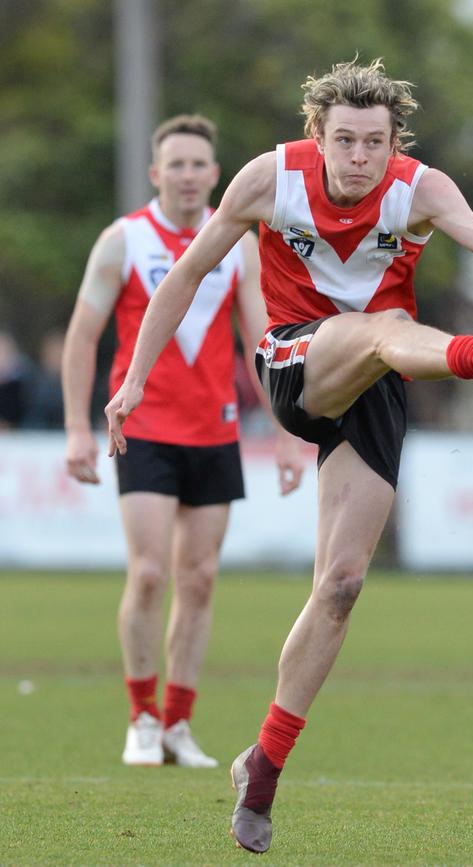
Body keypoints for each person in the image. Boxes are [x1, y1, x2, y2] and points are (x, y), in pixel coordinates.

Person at [104, 61, 473, 849]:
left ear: (394, 146)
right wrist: (135, 378)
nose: (359, 158)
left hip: (380, 380)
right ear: (318, 136)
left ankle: (264, 768)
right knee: (379, 328)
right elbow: (185, 276)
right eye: (344, 140)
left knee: (343, 585)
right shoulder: (269, 178)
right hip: (295, 360)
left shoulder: (419, 188)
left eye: (374, 143)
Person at [62, 113, 304, 770]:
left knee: (198, 579)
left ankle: (177, 723)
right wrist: (79, 427)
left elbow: (265, 342)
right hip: (141, 426)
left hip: (214, 429)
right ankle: (141, 715)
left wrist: (286, 435)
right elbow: (83, 336)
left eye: (200, 164)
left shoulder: (240, 244)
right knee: (147, 572)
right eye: (177, 164)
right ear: (155, 173)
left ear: (216, 174)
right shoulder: (123, 241)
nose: (189, 175)